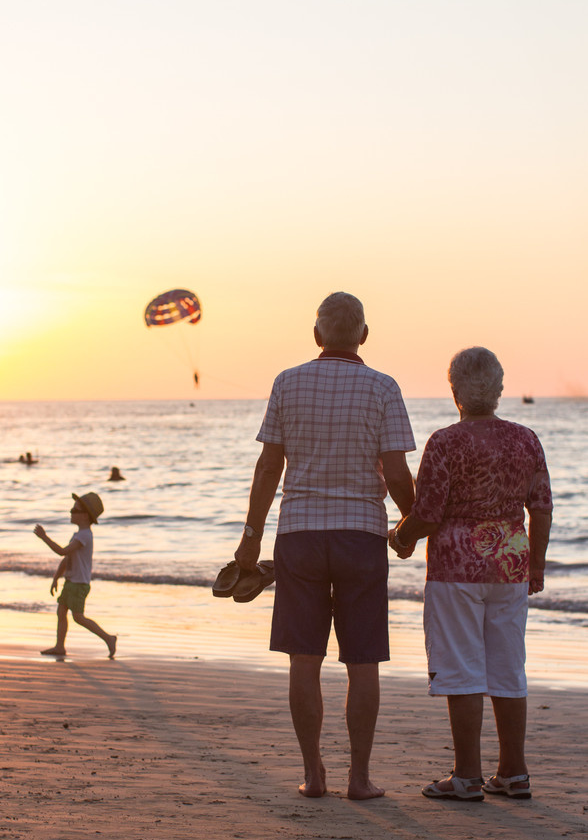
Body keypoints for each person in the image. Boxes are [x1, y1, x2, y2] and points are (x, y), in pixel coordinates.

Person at [235, 292, 416, 799]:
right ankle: (359, 779)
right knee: (362, 663)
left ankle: (314, 773)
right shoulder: (383, 387)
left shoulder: (287, 383)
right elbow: (398, 472)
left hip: (300, 534)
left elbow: (269, 467)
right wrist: (411, 524)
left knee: (303, 659)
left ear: (317, 335)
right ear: (363, 334)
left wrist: (250, 538)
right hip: (361, 536)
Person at [389, 347, 552, 801]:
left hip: (456, 568)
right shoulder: (526, 439)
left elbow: (428, 512)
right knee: (507, 666)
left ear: (455, 391)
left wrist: (401, 538)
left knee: (461, 667)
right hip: (510, 563)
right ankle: (514, 773)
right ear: (499, 390)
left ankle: (466, 776)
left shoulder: (445, 442)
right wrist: (535, 562)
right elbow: (540, 506)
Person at [34, 492, 117, 659]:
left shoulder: (84, 536)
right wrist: (56, 577)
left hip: (79, 584)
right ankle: (59, 646)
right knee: (61, 611)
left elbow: (62, 551)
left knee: (78, 617)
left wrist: (44, 537)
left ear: (85, 516)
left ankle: (109, 638)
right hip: (71, 581)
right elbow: (67, 558)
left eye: (75, 510)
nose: (71, 512)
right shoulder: (78, 535)